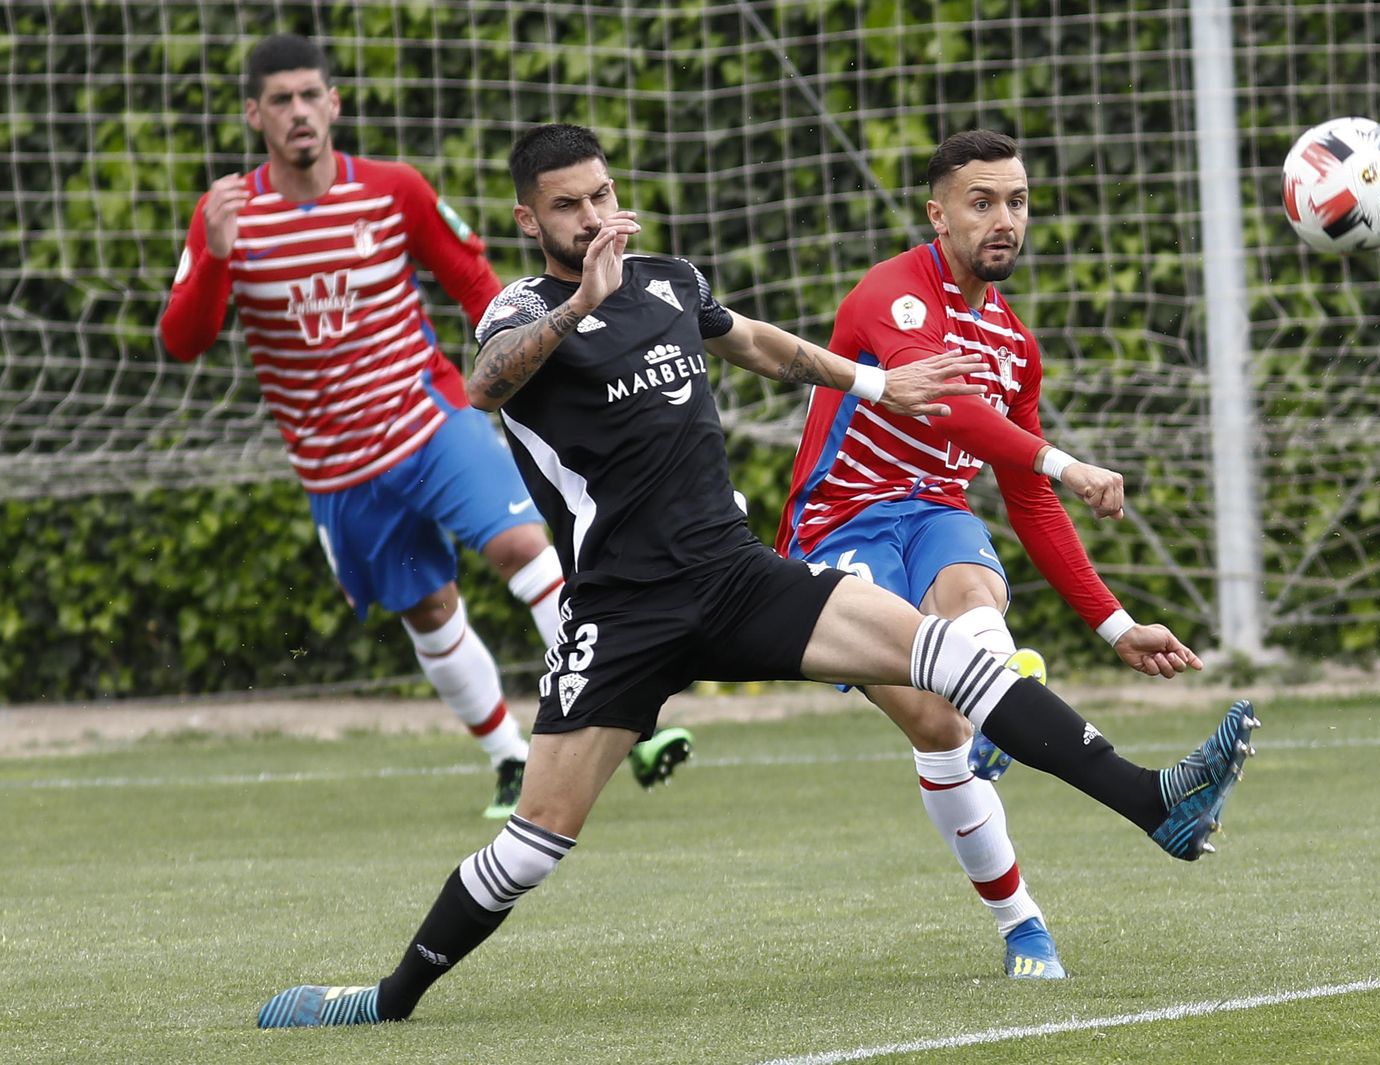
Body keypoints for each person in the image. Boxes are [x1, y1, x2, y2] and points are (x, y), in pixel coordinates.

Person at [255, 123, 1260, 1029]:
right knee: (534, 844)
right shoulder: (519, 311)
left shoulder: (667, 281)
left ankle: (1155, 802)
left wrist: (876, 382)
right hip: (621, 614)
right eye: (567, 205)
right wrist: (576, 311)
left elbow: (766, 351)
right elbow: (485, 385)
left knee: (948, 661)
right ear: (530, 219)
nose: (592, 217)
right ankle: (387, 1001)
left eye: (601, 196)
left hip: (735, 577)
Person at [157, 35, 690, 819]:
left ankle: (622, 718)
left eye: (311, 95)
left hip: (429, 417)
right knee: (429, 606)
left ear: (334, 104)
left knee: (522, 548)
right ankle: (509, 758)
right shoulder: (225, 213)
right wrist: (211, 255)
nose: (299, 111)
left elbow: (476, 282)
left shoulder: (393, 189)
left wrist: (535, 361)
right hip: (336, 465)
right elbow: (182, 340)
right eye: (281, 100)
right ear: (255, 115)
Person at [775, 129, 1209, 978]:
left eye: (1016, 202)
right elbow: (946, 407)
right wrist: (1064, 458)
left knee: (973, 578)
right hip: (838, 527)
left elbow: (1027, 497)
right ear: (938, 214)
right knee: (936, 722)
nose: (1003, 219)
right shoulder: (893, 293)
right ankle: (1020, 911)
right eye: (981, 203)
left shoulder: (1015, 344)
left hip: (935, 515)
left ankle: (996, 724)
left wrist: (1115, 623)